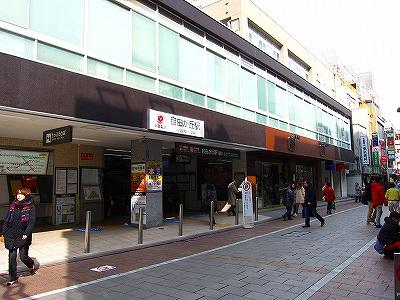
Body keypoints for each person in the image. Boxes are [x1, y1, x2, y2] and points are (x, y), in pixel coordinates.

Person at [2, 188, 36, 286]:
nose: (19, 196)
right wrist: (3, 232)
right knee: (12, 257)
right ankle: (13, 278)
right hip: (11, 234)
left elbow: (31, 221)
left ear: (26, 195)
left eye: (21, 194)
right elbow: (7, 219)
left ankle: (30, 264)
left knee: (23, 256)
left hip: (23, 235)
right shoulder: (13, 205)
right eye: (17, 194)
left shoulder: (30, 206)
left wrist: (27, 233)